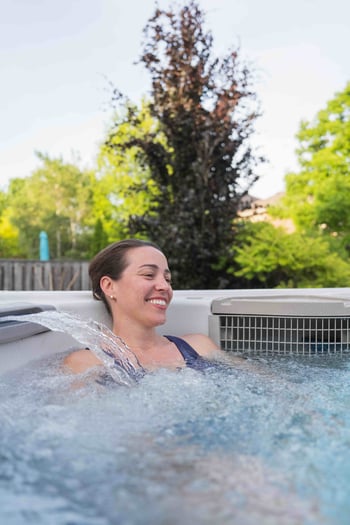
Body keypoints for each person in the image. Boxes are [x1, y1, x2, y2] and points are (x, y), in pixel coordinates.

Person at [64, 239, 225, 375]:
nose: (164, 286)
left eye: (167, 279)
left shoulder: (200, 347)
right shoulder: (86, 364)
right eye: (148, 275)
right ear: (109, 286)